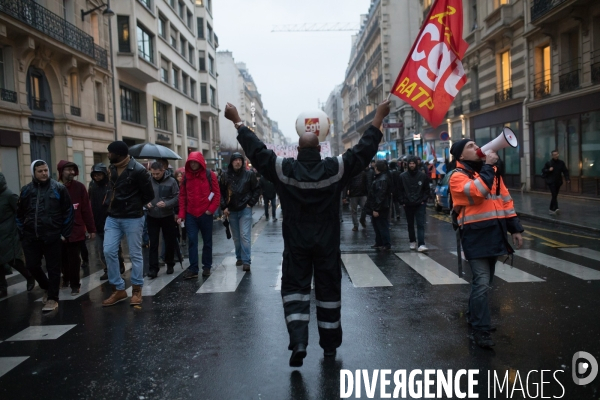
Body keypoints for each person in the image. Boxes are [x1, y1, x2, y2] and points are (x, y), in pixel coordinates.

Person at [224, 99, 390, 367]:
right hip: (327, 242)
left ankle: (299, 341)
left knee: (295, 289)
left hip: (297, 242)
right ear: (321, 147)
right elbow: (363, 151)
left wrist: (238, 121)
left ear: (297, 149)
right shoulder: (335, 168)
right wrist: (379, 118)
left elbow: (257, 152)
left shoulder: (283, 169)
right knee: (328, 292)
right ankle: (329, 347)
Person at [448, 139, 524, 348]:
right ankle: (481, 330)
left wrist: (515, 228)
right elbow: (477, 193)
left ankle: (474, 318)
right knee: (482, 282)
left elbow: (505, 200)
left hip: (494, 234)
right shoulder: (457, 177)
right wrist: (489, 166)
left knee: (485, 282)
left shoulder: (489, 172)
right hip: (475, 236)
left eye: (475, 144)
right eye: (470, 146)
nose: (476, 147)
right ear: (461, 156)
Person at [102, 141, 154, 307]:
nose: (108, 155)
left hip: (133, 217)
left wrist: (134, 205)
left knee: (135, 254)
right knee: (108, 250)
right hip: (113, 216)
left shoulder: (138, 170)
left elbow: (149, 195)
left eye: (110, 152)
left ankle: (137, 289)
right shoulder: (111, 169)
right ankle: (118, 289)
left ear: (119, 153)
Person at [16, 160, 73, 312]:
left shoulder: (58, 188)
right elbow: (19, 213)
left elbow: (68, 211)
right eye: (40, 171)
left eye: (45, 170)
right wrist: (21, 232)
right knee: (31, 265)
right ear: (33, 173)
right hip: (31, 236)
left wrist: (64, 233)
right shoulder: (26, 190)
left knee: (53, 268)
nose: (44, 173)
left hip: (52, 235)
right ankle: (47, 287)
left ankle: (53, 298)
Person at [177, 152, 220, 279]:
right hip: (191, 214)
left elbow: (216, 194)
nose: (193, 164)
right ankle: (193, 268)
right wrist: (181, 214)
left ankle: (206, 267)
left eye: (195, 162)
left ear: (200, 162)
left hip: (205, 214)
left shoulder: (209, 175)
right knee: (192, 241)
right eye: (191, 162)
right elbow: (182, 196)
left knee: (207, 242)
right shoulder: (186, 177)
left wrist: (210, 210)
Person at [57, 160, 96, 295]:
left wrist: (91, 229)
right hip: (59, 230)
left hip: (76, 229)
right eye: (68, 170)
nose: (72, 172)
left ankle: (75, 284)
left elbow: (86, 209)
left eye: (73, 170)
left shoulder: (79, 187)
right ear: (61, 171)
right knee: (62, 258)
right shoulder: (55, 187)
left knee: (74, 258)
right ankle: (65, 278)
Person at [220, 152, 260, 272]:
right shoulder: (225, 175)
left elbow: (256, 189)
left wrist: (250, 203)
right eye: (235, 160)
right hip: (231, 210)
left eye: (240, 160)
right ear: (232, 162)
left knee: (244, 235)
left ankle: (246, 260)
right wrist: (224, 207)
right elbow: (221, 192)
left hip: (245, 209)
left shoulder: (249, 175)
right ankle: (239, 257)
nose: (238, 162)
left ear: (242, 162)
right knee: (237, 237)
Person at [0, 173, 35, 298]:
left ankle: (29, 276)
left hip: (10, 233)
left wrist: (20, 229)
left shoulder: (9, 195)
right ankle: (2, 287)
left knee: (12, 259)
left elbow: (21, 212)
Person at [88, 163, 125, 280]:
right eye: (95, 175)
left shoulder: (111, 185)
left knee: (112, 248)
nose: (97, 177)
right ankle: (107, 269)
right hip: (97, 220)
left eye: (99, 174)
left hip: (110, 220)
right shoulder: (92, 185)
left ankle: (119, 265)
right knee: (101, 249)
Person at [146, 161, 179, 278]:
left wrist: (167, 203)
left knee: (169, 240)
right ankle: (153, 268)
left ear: (163, 171)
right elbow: (142, 195)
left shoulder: (172, 181)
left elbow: (177, 196)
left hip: (167, 215)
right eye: (153, 174)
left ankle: (170, 263)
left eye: (157, 174)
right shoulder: (148, 181)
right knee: (153, 243)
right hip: (152, 216)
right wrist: (146, 203)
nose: (155, 176)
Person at [398, 156, 431, 252]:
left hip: (419, 203)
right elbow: (399, 190)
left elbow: (426, 189)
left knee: (420, 224)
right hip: (408, 203)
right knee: (410, 224)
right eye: (410, 163)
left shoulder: (422, 176)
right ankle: (412, 241)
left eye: (413, 163)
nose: (412, 165)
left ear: (416, 164)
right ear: (407, 165)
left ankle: (421, 243)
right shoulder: (402, 176)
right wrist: (402, 201)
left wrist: (423, 200)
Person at [364, 160, 392, 250]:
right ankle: (379, 242)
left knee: (382, 225)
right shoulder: (380, 177)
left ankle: (386, 244)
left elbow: (380, 196)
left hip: (380, 207)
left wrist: (376, 209)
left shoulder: (382, 179)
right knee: (377, 225)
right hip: (379, 206)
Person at [541, 150, 570, 215]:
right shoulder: (549, 163)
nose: (555, 156)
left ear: (558, 155)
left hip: (558, 182)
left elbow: (565, 171)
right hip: (551, 182)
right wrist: (548, 170)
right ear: (552, 155)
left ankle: (551, 209)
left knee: (555, 195)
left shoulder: (561, 163)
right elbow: (543, 170)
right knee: (554, 194)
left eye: (556, 154)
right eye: (554, 155)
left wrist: (567, 179)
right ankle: (556, 208)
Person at [345, 166, 368, 231]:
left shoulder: (352, 173)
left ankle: (357, 224)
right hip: (359, 193)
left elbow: (347, 184)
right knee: (362, 209)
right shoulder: (363, 173)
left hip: (355, 193)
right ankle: (358, 223)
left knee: (355, 210)